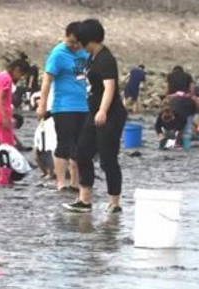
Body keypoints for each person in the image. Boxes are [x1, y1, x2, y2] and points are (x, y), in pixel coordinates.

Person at [64, 19, 128, 214]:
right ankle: (85, 200)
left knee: (108, 159)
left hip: (110, 115)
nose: (79, 46)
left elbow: (110, 87)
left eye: (80, 41)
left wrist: (102, 110)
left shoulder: (106, 59)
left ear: (88, 40)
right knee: (82, 153)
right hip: (93, 114)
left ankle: (114, 204)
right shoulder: (92, 57)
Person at [36, 22, 90, 191]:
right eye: (70, 41)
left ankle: (75, 183)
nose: (73, 45)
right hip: (63, 106)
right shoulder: (58, 54)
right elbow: (47, 80)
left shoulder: (84, 52)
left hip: (83, 105)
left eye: (77, 42)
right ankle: (60, 183)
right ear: (65, 36)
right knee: (64, 144)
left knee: (80, 146)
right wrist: (42, 104)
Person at [0, 58, 30, 147]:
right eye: (21, 75)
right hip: (1, 115)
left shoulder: (0, 75)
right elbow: (0, 99)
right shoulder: (7, 79)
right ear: (17, 70)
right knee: (7, 146)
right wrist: (4, 117)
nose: (20, 78)